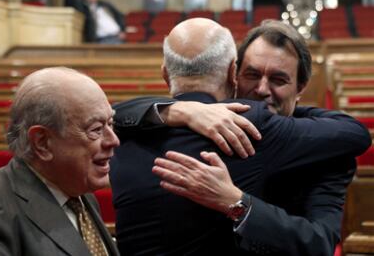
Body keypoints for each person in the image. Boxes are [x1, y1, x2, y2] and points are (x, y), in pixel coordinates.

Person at [110, 18, 371, 255]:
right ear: (233, 74)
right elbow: (108, 116)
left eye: (279, 80)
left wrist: (238, 205)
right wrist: (178, 110)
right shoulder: (145, 123)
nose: (261, 89)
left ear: (300, 87)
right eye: (252, 74)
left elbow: (320, 244)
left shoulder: (323, 151)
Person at [0, 67, 120, 256]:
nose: (114, 141)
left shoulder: (81, 195)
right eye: (96, 129)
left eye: (110, 124)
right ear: (42, 142)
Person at [61, 0, 125, 44]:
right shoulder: (85, 8)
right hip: (100, 40)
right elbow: (70, 3)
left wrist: (123, 30)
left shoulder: (105, 5)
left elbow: (120, 16)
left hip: (117, 37)